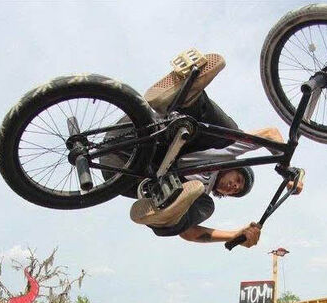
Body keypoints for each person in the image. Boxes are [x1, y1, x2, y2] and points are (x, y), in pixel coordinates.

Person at [130, 52, 303, 248]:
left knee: (204, 203)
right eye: (238, 180)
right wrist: (286, 169)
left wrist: (234, 235)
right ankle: (186, 95)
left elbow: (189, 233)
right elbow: (270, 133)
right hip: (148, 130)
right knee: (230, 134)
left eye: (235, 191)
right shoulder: (224, 155)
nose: (234, 187)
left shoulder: (200, 194)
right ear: (233, 166)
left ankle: (164, 214)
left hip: (127, 170)